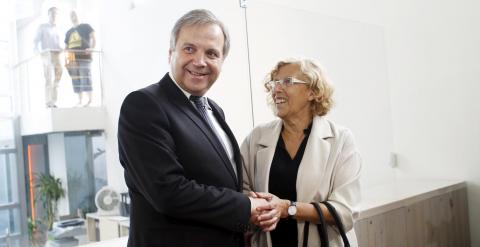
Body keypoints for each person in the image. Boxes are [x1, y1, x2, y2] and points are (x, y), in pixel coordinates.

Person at [117, 9, 279, 247]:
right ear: (171, 53)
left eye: (212, 53)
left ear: (222, 61)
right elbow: (168, 192)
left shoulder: (214, 110)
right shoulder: (143, 105)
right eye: (189, 49)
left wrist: (250, 204)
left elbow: (216, 182)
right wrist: (244, 206)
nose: (200, 61)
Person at [241, 58, 362, 247]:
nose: (276, 89)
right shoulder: (256, 138)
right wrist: (253, 209)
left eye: (287, 81)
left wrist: (288, 209)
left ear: (313, 92)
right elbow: (242, 191)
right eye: (274, 83)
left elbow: (345, 211)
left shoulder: (340, 139)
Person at [65, 10, 96, 107]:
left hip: (84, 56)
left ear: (79, 15)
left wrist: (91, 48)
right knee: (75, 79)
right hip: (72, 58)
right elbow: (66, 46)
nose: (73, 16)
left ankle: (90, 100)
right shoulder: (68, 32)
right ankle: (80, 100)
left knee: (85, 76)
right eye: (71, 15)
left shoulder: (86, 26)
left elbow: (94, 38)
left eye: (74, 14)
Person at [34, 7, 62, 108]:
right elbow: (35, 41)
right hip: (47, 55)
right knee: (48, 78)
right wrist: (39, 53)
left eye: (56, 14)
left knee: (58, 76)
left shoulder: (57, 28)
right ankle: (48, 102)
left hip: (56, 55)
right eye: (52, 13)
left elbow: (58, 43)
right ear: (49, 15)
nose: (54, 15)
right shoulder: (42, 27)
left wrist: (61, 48)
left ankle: (54, 101)